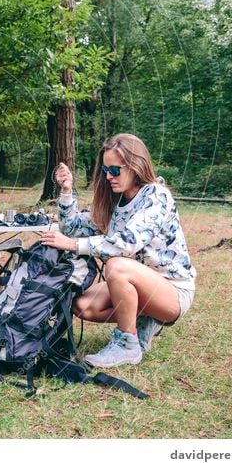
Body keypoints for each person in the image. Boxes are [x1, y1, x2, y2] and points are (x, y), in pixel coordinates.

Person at [39, 133, 195, 368]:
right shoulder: (114, 202)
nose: (109, 177)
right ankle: (144, 318)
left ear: (136, 165)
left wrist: (72, 245)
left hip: (172, 289)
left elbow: (126, 242)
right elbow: (71, 227)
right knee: (83, 306)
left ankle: (127, 345)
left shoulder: (156, 196)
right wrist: (66, 190)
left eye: (115, 170)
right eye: (105, 170)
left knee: (116, 265)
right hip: (136, 282)